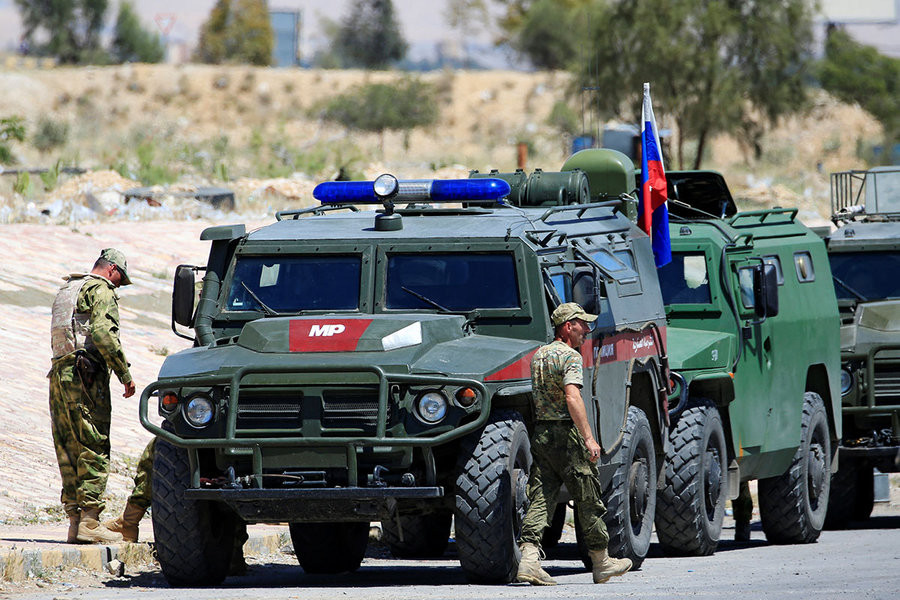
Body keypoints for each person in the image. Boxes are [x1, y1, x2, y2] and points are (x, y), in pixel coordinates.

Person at [516, 302, 633, 586]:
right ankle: (601, 561)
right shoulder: (569, 356)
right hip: (567, 435)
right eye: (583, 324)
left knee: (541, 496)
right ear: (567, 326)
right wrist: (589, 438)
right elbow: (572, 397)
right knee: (588, 496)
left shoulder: (539, 355)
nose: (588, 330)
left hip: (542, 433)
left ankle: (529, 560)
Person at [48, 248, 136, 544]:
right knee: (94, 443)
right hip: (85, 375)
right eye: (120, 280)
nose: (118, 286)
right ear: (112, 269)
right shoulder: (100, 289)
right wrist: (124, 373)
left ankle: (75, 523)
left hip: (59, 373)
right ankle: (89, 521)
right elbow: (103, 333)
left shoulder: (68, 288)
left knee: (67, 446)